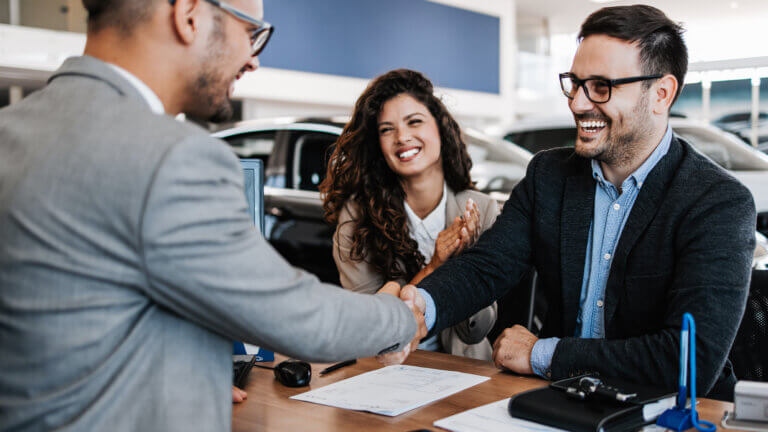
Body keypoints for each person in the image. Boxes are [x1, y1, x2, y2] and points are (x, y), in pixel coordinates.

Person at [0, 0, 425, 430]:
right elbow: (298, 317)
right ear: (189, 16)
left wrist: (188, 375)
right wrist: (399, 316)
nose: (253, 60)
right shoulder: (172, 155)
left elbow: (71, 314)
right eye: (251, 33)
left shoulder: (9, 132)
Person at [385, 5, 755, 401]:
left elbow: (687, 360)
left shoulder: (717, 201)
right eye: (575, 83)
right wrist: (421, 305)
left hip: (677, 410)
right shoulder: (549, 175)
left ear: (661, 94)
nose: (578, 104)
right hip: (562, 400)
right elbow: (488, 266)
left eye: (601, 87)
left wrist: (544, 354)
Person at [320, 69, 499, 360]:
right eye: (386, 129)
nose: (402, 137)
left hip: (465, 371)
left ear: (440, 128)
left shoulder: (481, 210)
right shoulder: (356, 217)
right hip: (384, 374)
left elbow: (474, 331)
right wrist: (436, 266)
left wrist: (464, 265)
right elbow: (369, 328)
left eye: (414, 122)